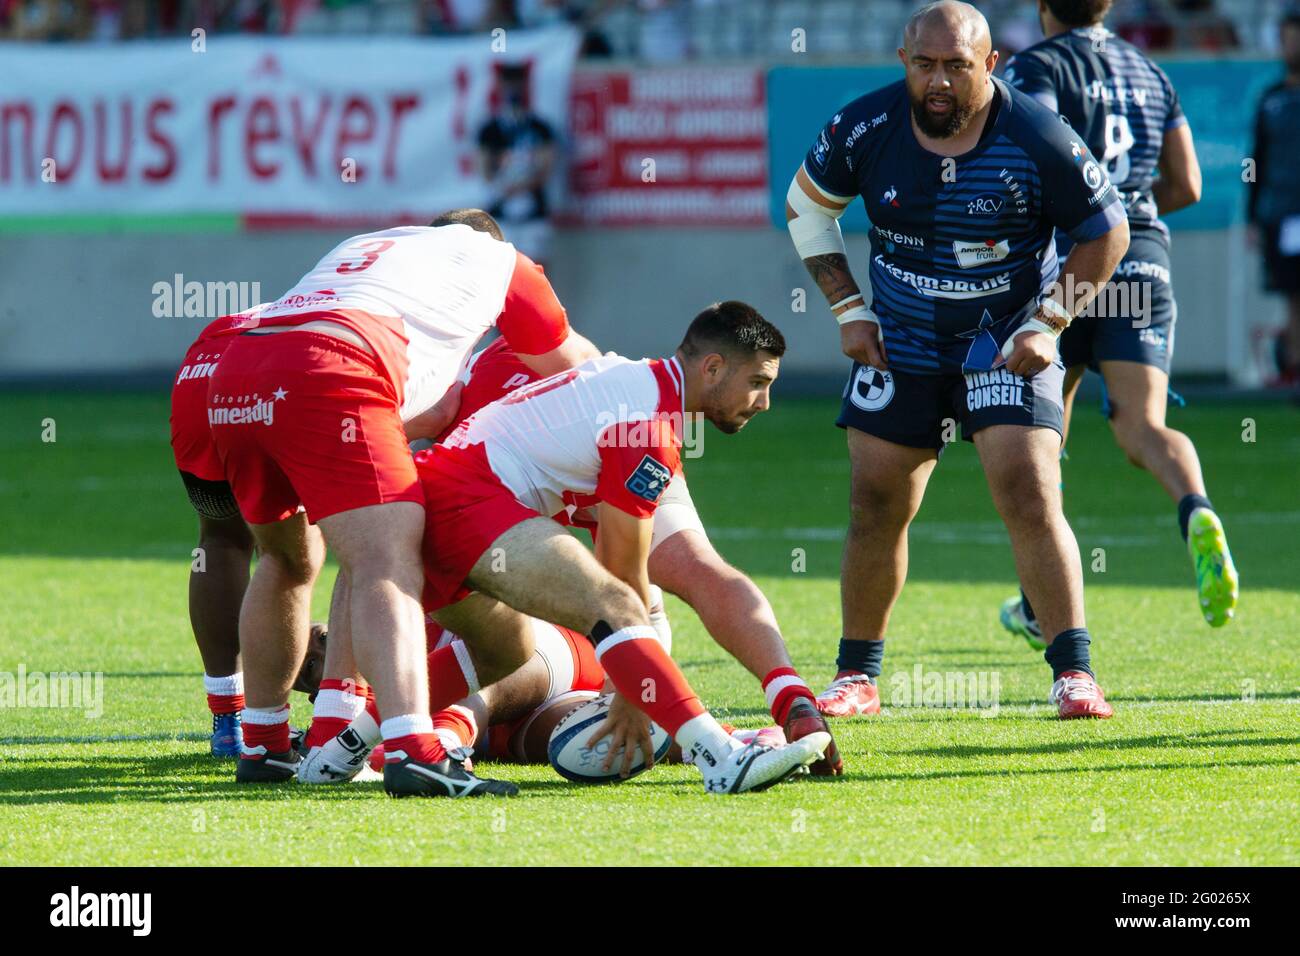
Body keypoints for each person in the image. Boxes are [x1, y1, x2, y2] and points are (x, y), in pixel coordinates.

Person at [784, 1, 1130, 720]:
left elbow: (1107, 231)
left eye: (956, 66)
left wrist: (1049, 320)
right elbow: (806, 207)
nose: (938, 81)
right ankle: (857, 677)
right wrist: (849, 310)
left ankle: (1074, 672)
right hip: (900, 344)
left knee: (1029, 487)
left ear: (990, 65)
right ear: (903, 61)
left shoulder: (1035, 133)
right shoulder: (867, 126)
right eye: (924, 65)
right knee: (875, 504)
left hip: (1002, 343)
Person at [302, 335, 842, 780]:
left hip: (440, 502)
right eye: (757, 383)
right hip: (467, 504)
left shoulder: (615, 382)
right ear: (714, 367)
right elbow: (621, 573)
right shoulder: (644, 422)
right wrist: (636, 689)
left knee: (501, 651)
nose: (764, 402)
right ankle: (720, 756)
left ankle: (336, 753)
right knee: (614, 603)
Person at [205, 209, 596, 793]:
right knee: (385, 561)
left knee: (285, 560)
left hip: (238, 370)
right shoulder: (502, 264)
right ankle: (415, 751)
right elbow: (580, 379)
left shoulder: (375, 243)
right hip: (331, 365)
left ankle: (263, 745)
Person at [997, 0, 1238, 642]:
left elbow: (1027, 156)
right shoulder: (1149, 70)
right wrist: (1128, 204)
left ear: (1044, 7)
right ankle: (1197, 510)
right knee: (1143, 426)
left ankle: (1034, 598)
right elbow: (1185, 183)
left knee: (1044, 433)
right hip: (1142, 261)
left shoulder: (1038, 65)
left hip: (1070, 263)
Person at [169, 304, 326, 757]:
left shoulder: (312, 293)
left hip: (204, 368)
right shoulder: (408, 311)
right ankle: (324, 719)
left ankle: (228, 721)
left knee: (219, 540)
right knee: (305, 554)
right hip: (281, 371)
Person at [1247, 3, 1300, 395]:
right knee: (1292, 296)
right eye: (1285, 36)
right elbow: (1256, 159)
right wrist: (1253, 216)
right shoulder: (1270, 98)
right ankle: (1295, 371)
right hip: (1284, 214)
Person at [477, 64, 559, 264]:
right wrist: (504, 184)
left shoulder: (539, 127)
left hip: (533, 211)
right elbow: (483, 169)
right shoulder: (490, 130)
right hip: (501, 210)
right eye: (507, 83)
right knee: (500, 268)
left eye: (516, 83)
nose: (512, 89)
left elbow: (547, 168)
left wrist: (523, 185)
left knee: (536, 267)